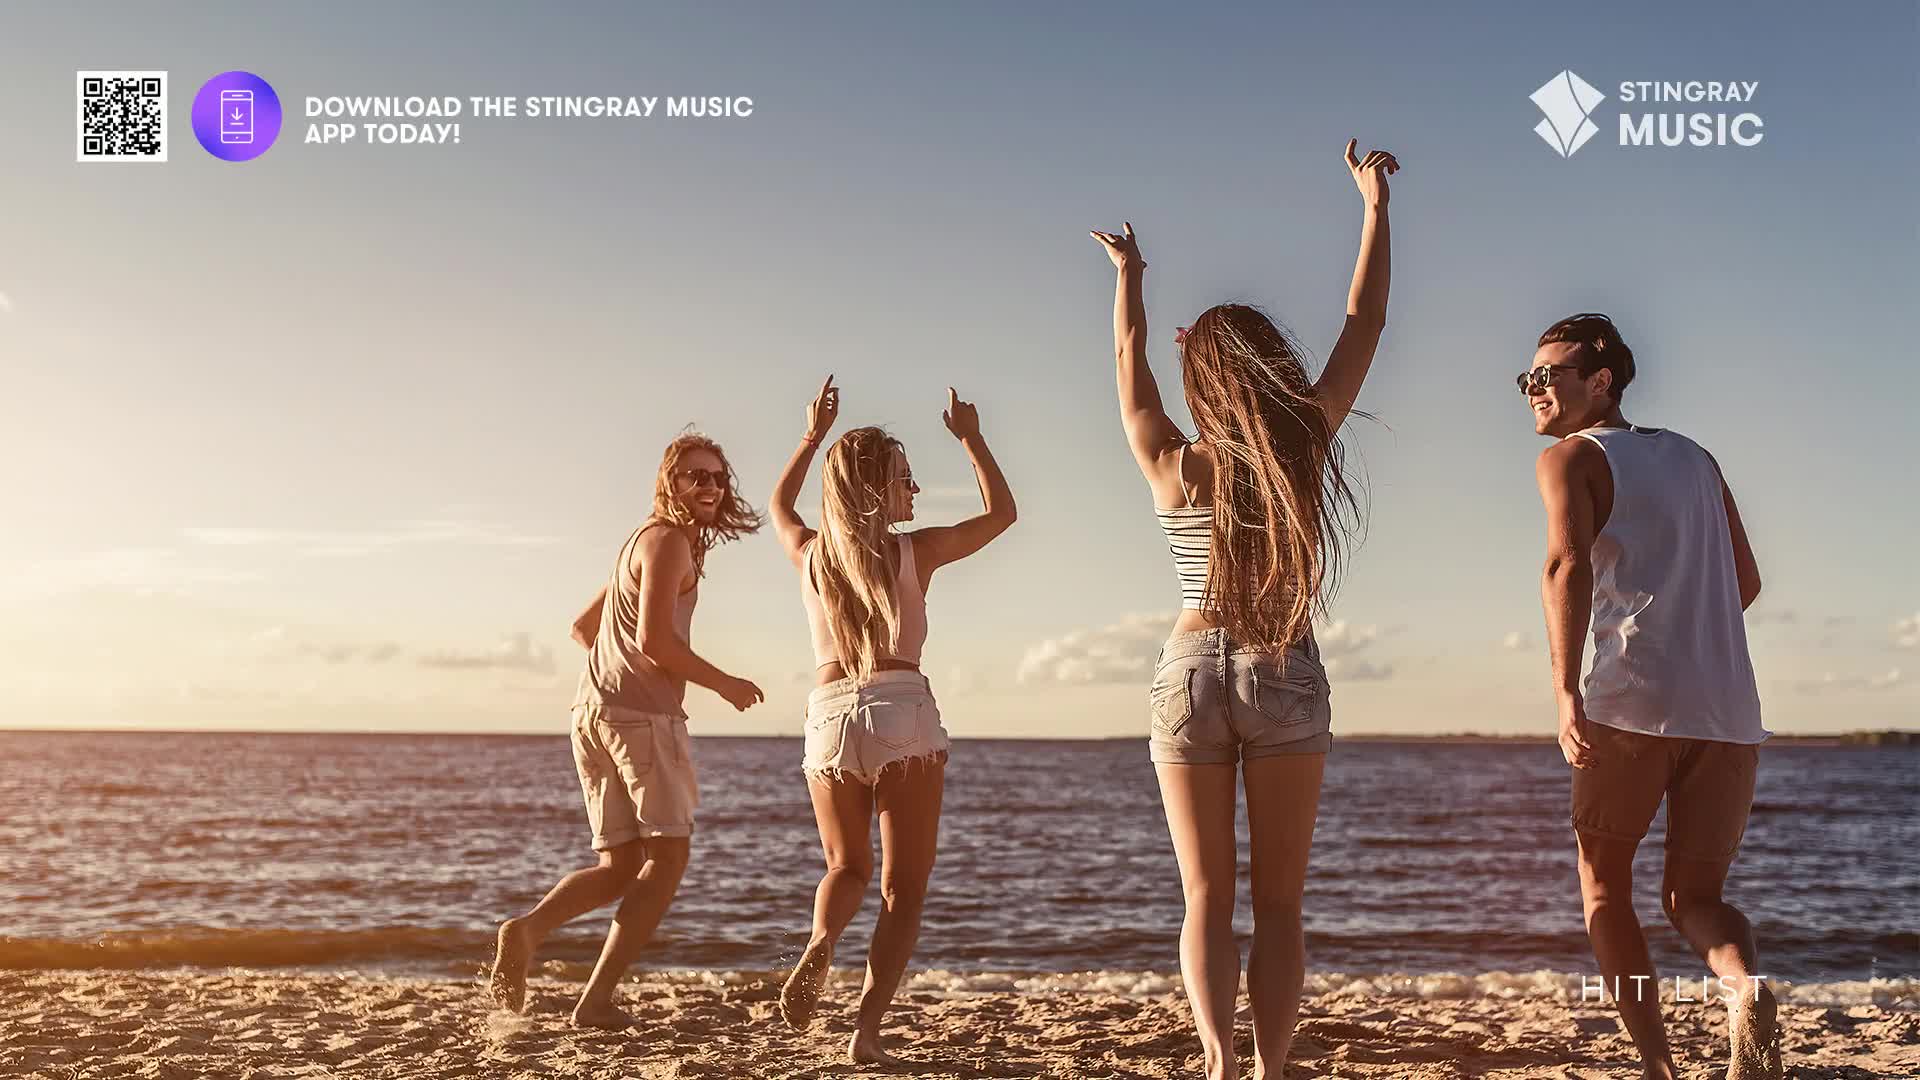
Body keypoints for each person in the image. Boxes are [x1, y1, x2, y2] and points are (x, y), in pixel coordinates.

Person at [1088, 138, 1398, 1080]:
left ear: (1203, 380)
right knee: (1280, 906)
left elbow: (1127, 360)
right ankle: (1269, 1070)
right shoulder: (1301, 441)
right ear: (1266, 368)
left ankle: (1219, 1062)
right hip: (1282, 666)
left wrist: (1132, 277)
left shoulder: (1172, 464)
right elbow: (1364, 320)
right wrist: (1375, 204)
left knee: (1204, 897)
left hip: (1187, 670)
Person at [1524, 313, 1779, 1079]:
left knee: (1604, 888)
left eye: (1551, 374)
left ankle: (1659, 1066)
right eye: (1527, 377)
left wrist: (1566, 691)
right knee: (1695, 895)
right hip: (1731, 712)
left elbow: (1564, 570)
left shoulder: (1573, 458)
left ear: (1601, 382)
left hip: (1629, 706)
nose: (1535, 388)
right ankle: (1743, 991)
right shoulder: (1697, 458)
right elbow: (1748, 582)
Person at [768, 376, 1016, 1065]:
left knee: (845, 869)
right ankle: (866, 1032)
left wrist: (811, 434)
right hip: (902, 708)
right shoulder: (918, 550)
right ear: (879, 490)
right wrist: (972, 438)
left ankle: (821, 943)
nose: (914, 492)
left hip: (829, 717)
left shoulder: (811, 555)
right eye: (906, 480)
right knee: (903, 892)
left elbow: (778, 504)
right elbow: (1002, 514)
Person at [487, 433, 766, 1028]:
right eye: (695, 476)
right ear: (669, 483)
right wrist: (725, 683)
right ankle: (595, 1002)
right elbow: (654, 642)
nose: (709, 486)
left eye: (717, 477)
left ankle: (527, 931)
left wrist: (616, 680)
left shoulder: (640, 541)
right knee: (667, 860)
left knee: (620, 866)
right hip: (640, 717)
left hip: (591, 713)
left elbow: (584, 627)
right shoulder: (668, 542)